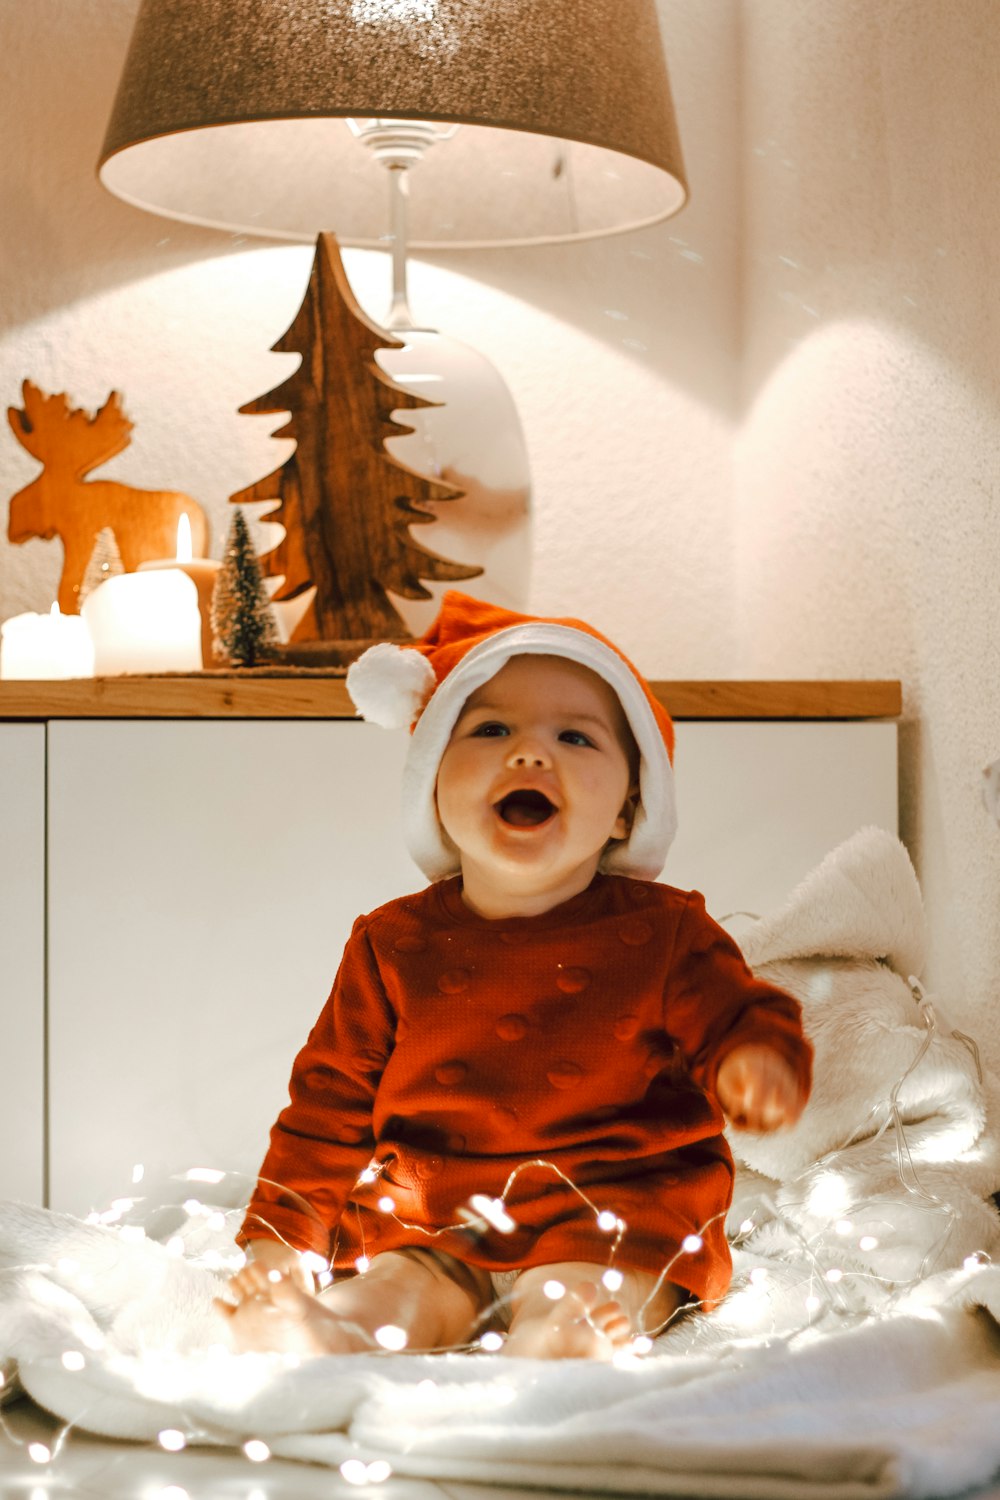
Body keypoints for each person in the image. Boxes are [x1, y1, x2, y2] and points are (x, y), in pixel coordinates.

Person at [217, 593, 812, 1360]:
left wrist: (754, 1060)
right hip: (434, 1221)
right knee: (396, 1288)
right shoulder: (392, 943)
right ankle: (331, 1330)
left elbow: (739, 1013)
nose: (530, 754)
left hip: (614, 1216)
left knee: (579, 1292)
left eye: (575, 736)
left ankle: (564, 1336)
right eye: (491, 729)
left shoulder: (667, 934)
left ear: (629, 809)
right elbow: (326, 1109)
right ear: (433, 784)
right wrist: (278, 1244)